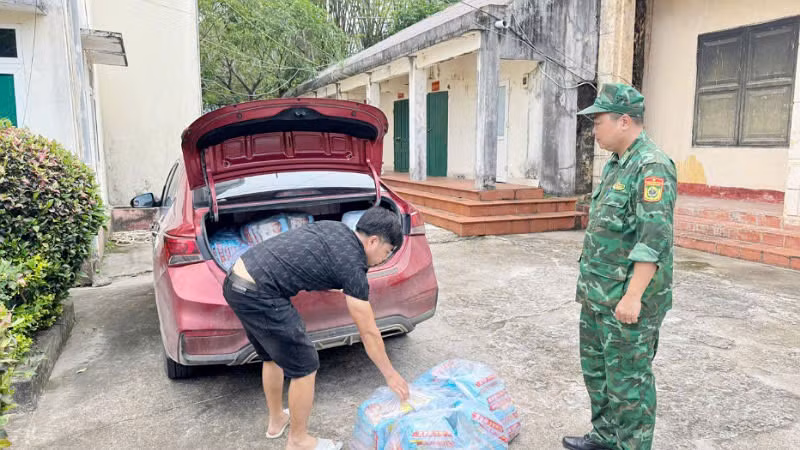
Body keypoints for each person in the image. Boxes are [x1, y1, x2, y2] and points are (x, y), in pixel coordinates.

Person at [223, 206, 410, 450]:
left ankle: (277, 420)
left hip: (236, 282)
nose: (385, 259)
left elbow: (311, 259)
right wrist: (391, 374)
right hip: (260, 292)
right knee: (305, 365)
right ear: (373, 241)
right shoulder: (353, 268)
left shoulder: (337, 229)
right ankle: (299, 441)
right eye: (387, 252)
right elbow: (369, 332)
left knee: (272, 357)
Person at [563, 84, 676, 450]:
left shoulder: (652, 166)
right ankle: (604, 438)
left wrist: (632, 297)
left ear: (624, 121)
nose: (594, 130)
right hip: (599, 296)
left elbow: (653, 239)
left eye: (598, 122)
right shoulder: (615, 164)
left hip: (627, 304)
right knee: (598, 376)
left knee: (630, 387)